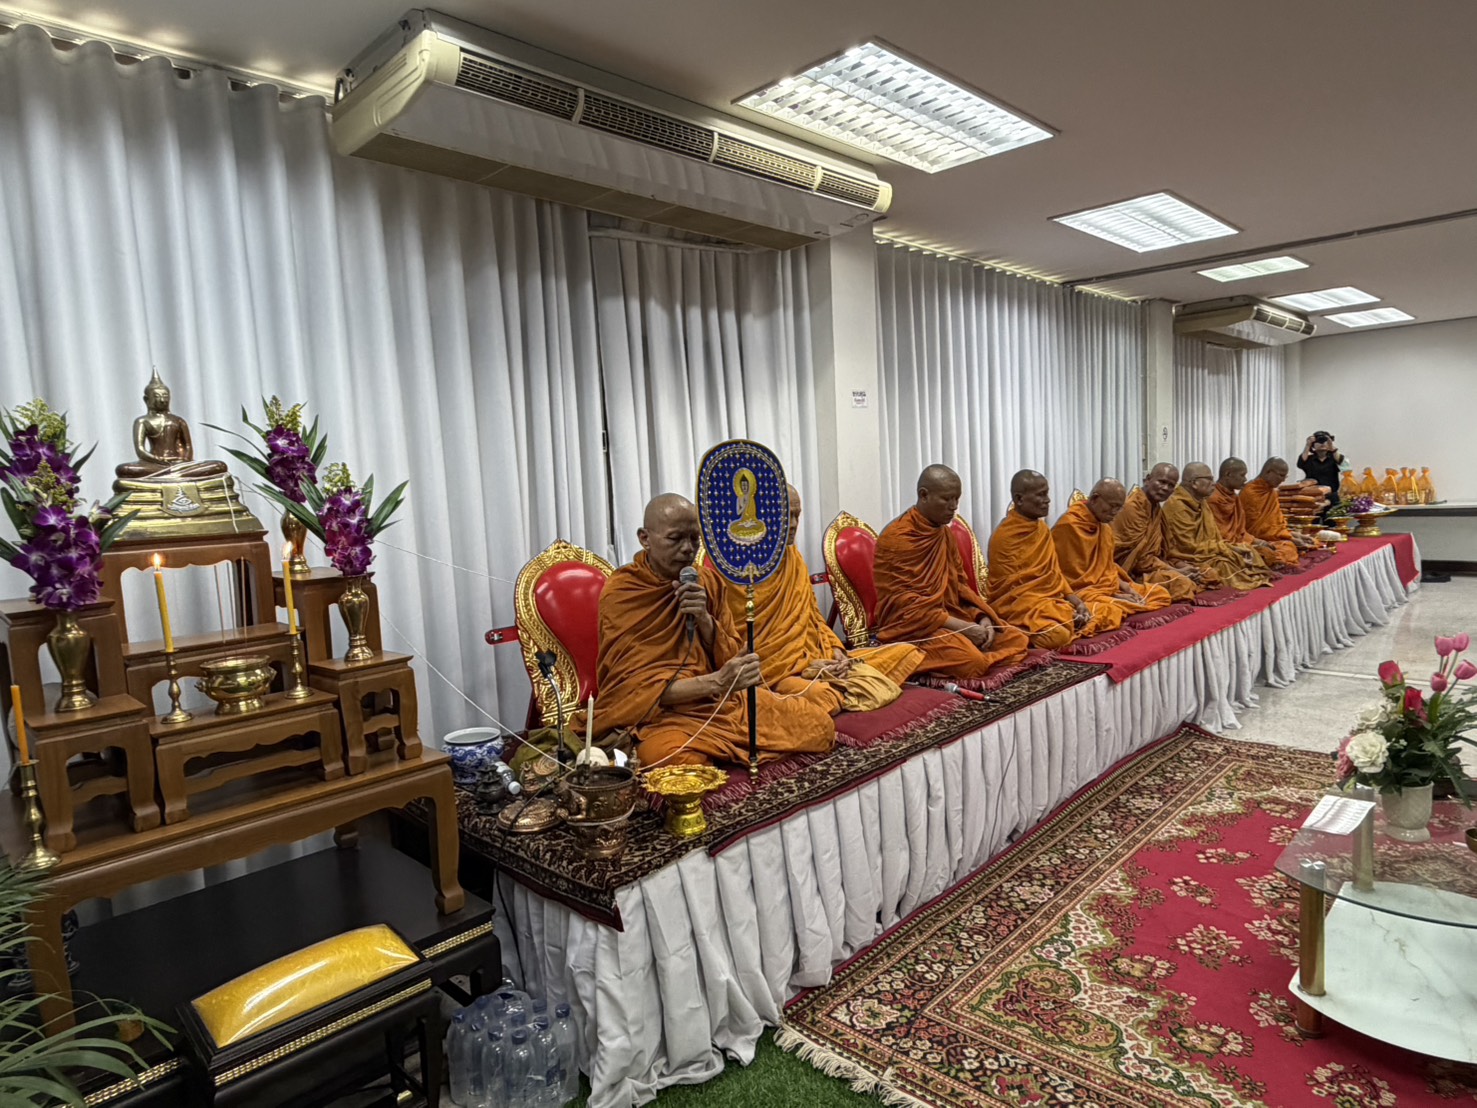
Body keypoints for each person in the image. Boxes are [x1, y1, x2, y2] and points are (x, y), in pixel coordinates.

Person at [593, 493, 835, 767]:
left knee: (819, 725)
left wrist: (704, 620)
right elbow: (632, 691)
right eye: (675, 539)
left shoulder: (707, 582)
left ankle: (725, 749)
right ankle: (729, 750)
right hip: (661, 716)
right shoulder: (623, 593)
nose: (687, 549)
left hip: (719, 705)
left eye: (694, 539)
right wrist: (716, 682)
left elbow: (731, 656)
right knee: (676, 758)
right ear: (644, 538)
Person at [721, 484, 922, 714]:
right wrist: (809, 667)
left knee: (907, 652)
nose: (793, 524)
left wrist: (835, 650)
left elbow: (814, 617)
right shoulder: (737, 572)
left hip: (818, 657)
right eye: (786, 516)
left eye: (797, 515)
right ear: (763, 517)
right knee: (826, 697)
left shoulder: (793, 557)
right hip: (779, 673)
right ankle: (827, 690)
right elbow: (739, 646)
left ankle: (837, 684)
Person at [872, 464, 1029, 679]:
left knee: (1017, 639)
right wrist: (963, 628)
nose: (954, 506)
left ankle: (962, 654)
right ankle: (908, 658)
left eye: (957, 499)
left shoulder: (944, 534)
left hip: (950, 618)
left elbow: (959, 587)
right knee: (972, 662)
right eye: (947, 499)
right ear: (923, 495)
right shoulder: (898, 539)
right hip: (913, 629)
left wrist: (981, 617)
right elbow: (906, 607)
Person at [986, 470, 1111, 649]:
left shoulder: (1042, 529)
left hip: (1047, 603)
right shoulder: (1005, 537)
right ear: (1019, 499)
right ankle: (1017, 631)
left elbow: (1055, 575)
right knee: (1057, 635)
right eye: (1041, 495)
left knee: (1100, 613)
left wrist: (1077, 602)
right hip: (1019, 608)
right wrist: (1052, 608)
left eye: (1047, 493)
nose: (1048, 500)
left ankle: (1062, 620)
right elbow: (1012, 594)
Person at [1052, 478, 1172, 627]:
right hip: (1082, 592)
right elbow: (1068, 579)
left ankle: (1121, 604)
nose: (1115, 513)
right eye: (1113, 506)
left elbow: (1107, 567)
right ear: (1095, 499)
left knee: (1159, 594)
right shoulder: (1068, 526)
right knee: (1111, 611)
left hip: (1107, 587)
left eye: (1119, 508)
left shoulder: (1105, 527)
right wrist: (1115, 595)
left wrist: (1126, 588)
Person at [1161, 463, 1273, 591]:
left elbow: (1215, 537)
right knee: (1223, 565)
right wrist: (1226, 549)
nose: (1214, 483)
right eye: (1209, 479)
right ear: (1194, 483)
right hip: (1186, 557)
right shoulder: (1177, 506)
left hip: (1208, 551)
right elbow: (1188, 547)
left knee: (1248, 551)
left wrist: (1231, 548)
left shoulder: (1201, 502)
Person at [114, 370, 228, 480]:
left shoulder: (178, 421)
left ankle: (171, 475)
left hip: (180, 464)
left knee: (219, 466)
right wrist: (159, 460)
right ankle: (175, 475)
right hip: (155, 465)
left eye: (165, 396)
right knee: (125, 469)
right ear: (146, 399)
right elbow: (140, 450)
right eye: (157, 396)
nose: (162, 400)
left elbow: (187, 446)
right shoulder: (142, 421)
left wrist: (184, 460)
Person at [1112, 463, 1201, 601]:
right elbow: (1140, 561)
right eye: (1162, 482)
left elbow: (1165, 551)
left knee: (1205, 574)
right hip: (1129, 573)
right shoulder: (1132, 508)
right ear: (1148, 479)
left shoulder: (1155, 509)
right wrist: (1175, 571)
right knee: (1182, 584)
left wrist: (1180, 566)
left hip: (1153, 567)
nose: (1165, 488)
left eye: (1171, 485)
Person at [1208, 458, 1294, 567]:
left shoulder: (1234, 497)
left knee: (1286, 548)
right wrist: (1248, 545)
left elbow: (1240, 532)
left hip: (1242, 543)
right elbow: (1218, 536)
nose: (1245, 479)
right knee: (1263, 554)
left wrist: (1258, 542)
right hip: (1225, 547)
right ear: (1228, 474)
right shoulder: (1213, 499)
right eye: (1242, 475)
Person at [1238, 458, 1314, 561]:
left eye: (1285, 477)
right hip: (1257, 541)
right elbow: (1256, 530)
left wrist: (1297, 535)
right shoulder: (1249, 493)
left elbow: (1276, 526)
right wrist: (1290, 538)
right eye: (1281, 475)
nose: (1283, 480)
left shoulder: (1272, 492)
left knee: (1301, 544)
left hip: (1275, 539)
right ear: (1268, 472)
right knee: (1284, 550)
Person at [1297, 431, 1344, 521]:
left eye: (1324, 441)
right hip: (1314, 496)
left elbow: (1340, 461)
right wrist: (1307, 445)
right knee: (1312, 524)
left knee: (1333, 523)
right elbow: (1300, 463)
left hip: (1332, 496)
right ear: (1313, 445)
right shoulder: (1309, 459)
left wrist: (1331, 445)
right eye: (1318, 441)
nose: (1322, 443)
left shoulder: (1333, 458)